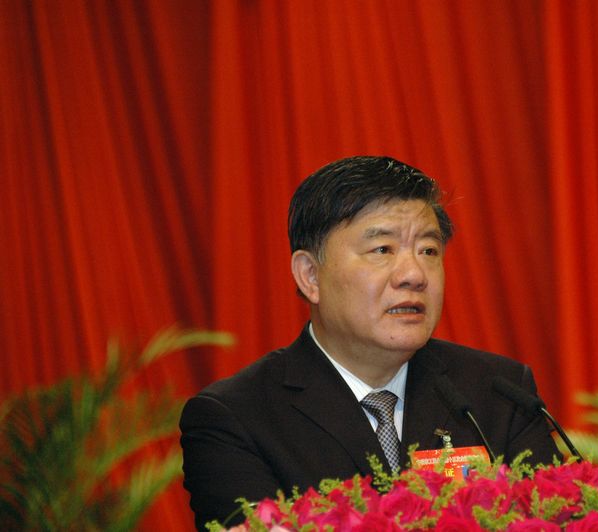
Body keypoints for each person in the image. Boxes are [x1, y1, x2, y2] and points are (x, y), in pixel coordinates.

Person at [179, 156, 560, 529]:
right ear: (310, 276)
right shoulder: (236, 419)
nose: (414, 274)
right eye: (383, 250)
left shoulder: (499, 393)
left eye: (428, 251)